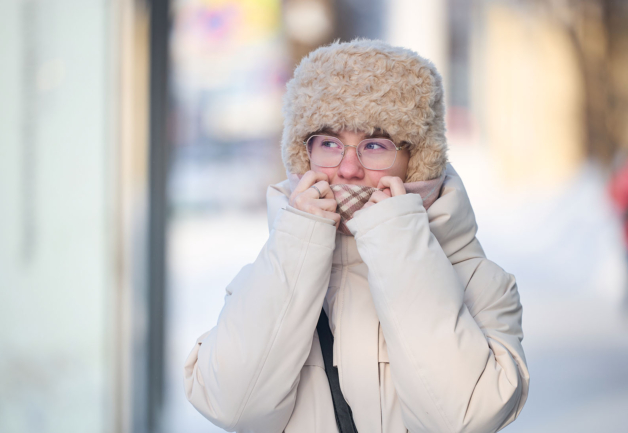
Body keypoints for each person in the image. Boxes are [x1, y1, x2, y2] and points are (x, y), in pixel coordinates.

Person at [184, 39, 529, 433]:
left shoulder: (481, 285)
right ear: (303, 154)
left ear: (418, 160)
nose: (348, 169)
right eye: (329, 143)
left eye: (375, 145)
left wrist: (399, 243)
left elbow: (461, 420)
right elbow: (233, 407)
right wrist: (299, 243)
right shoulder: (270, 272)